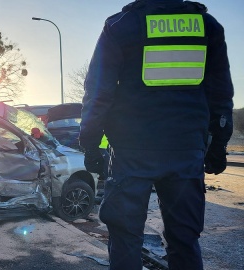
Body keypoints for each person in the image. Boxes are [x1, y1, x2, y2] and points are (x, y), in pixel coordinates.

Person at [79, 1, 234, 269]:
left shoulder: (120, 26)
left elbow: (98, 92)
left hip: (132, 151)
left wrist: (91, 144)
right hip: (186, 150)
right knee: (185, 238)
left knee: (126, 237)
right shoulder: (207, 27)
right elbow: (220, 92)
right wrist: (218, 143)